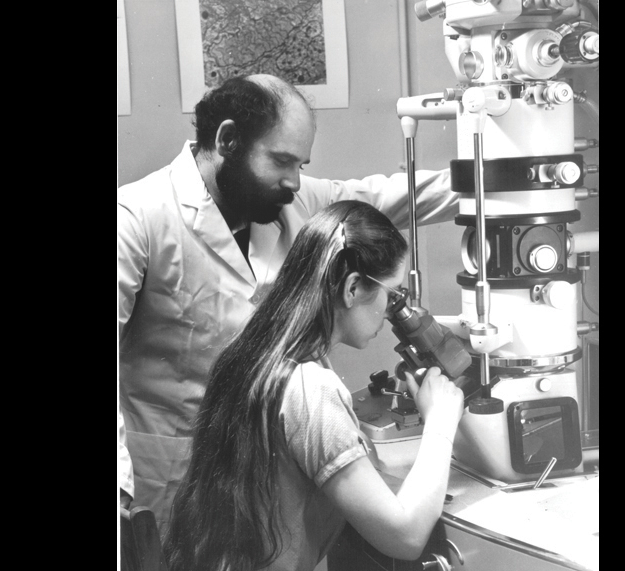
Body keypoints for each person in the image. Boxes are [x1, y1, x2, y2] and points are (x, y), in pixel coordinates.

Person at [118, 73, 459, 533]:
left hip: (259, 485)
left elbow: (387, 198)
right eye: (281, 161)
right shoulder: (137, 218)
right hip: (167, 480)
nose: (295, 181)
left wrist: (498, 173)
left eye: (301, 164)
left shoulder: (287, 199)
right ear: (227, 140)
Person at [163, 201, 465, 571]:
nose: (390, 313)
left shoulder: (256, 349)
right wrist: (440, 422)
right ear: (352, 288)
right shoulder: (311, 387)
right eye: (392, 296)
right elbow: (405, 536)